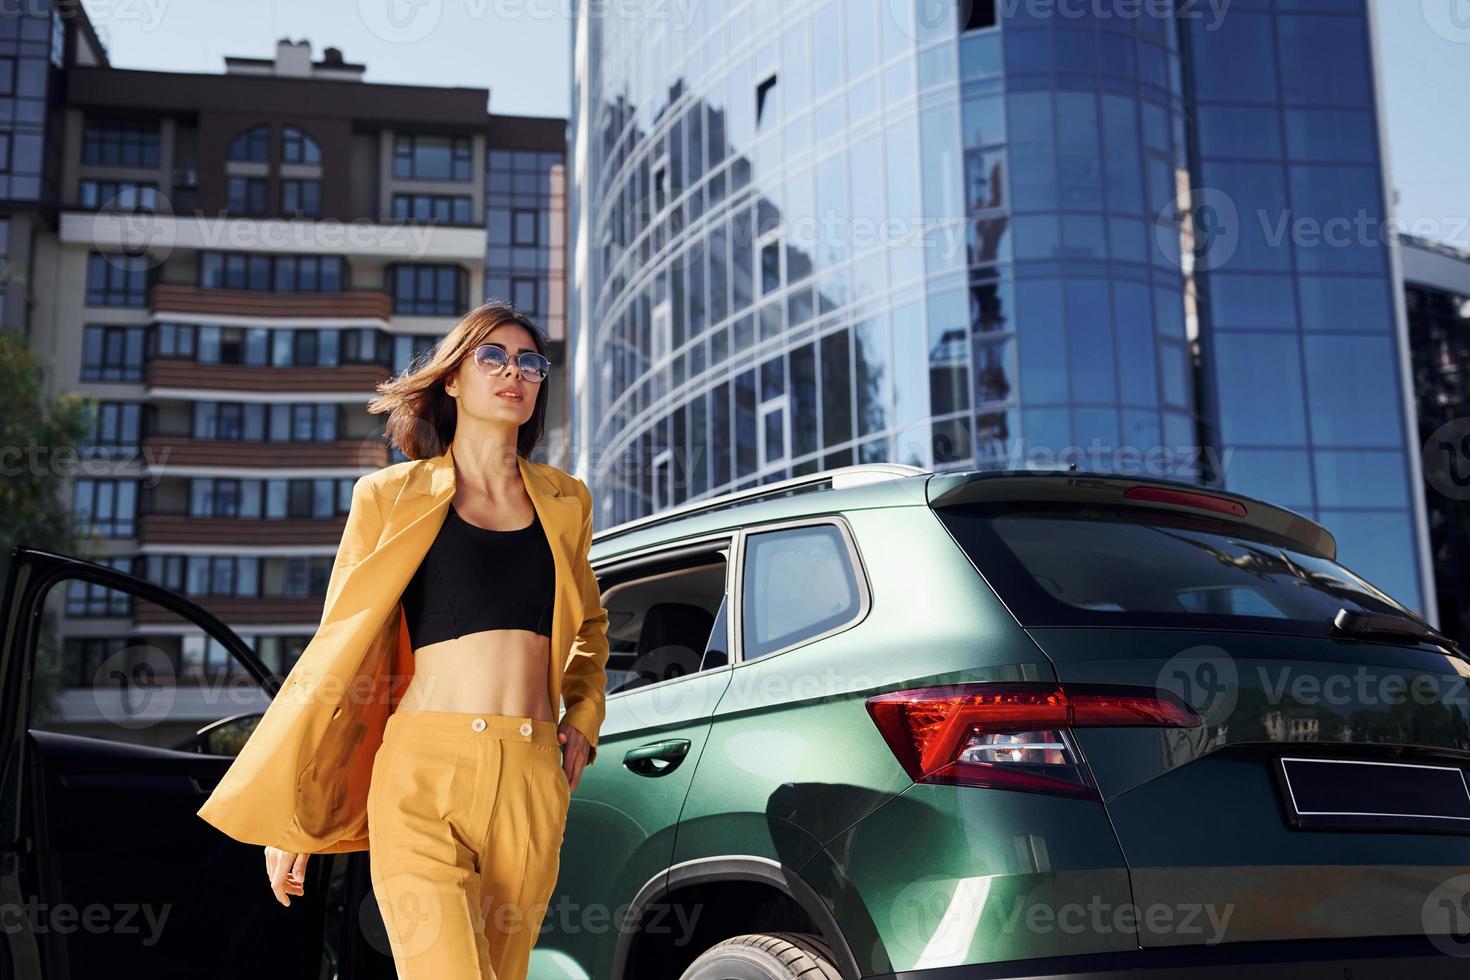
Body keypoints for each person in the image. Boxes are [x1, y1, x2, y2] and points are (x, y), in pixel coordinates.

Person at [256, 300, 608, 979]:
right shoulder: (387, 497)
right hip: (421, 771)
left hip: (532, 777)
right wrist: (293, 812)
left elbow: (590, 626)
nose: (516, 373)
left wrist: (584, 720)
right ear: (451, 379)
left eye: (530, 363)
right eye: (493, 357)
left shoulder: (568, 501)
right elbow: (338, 653)